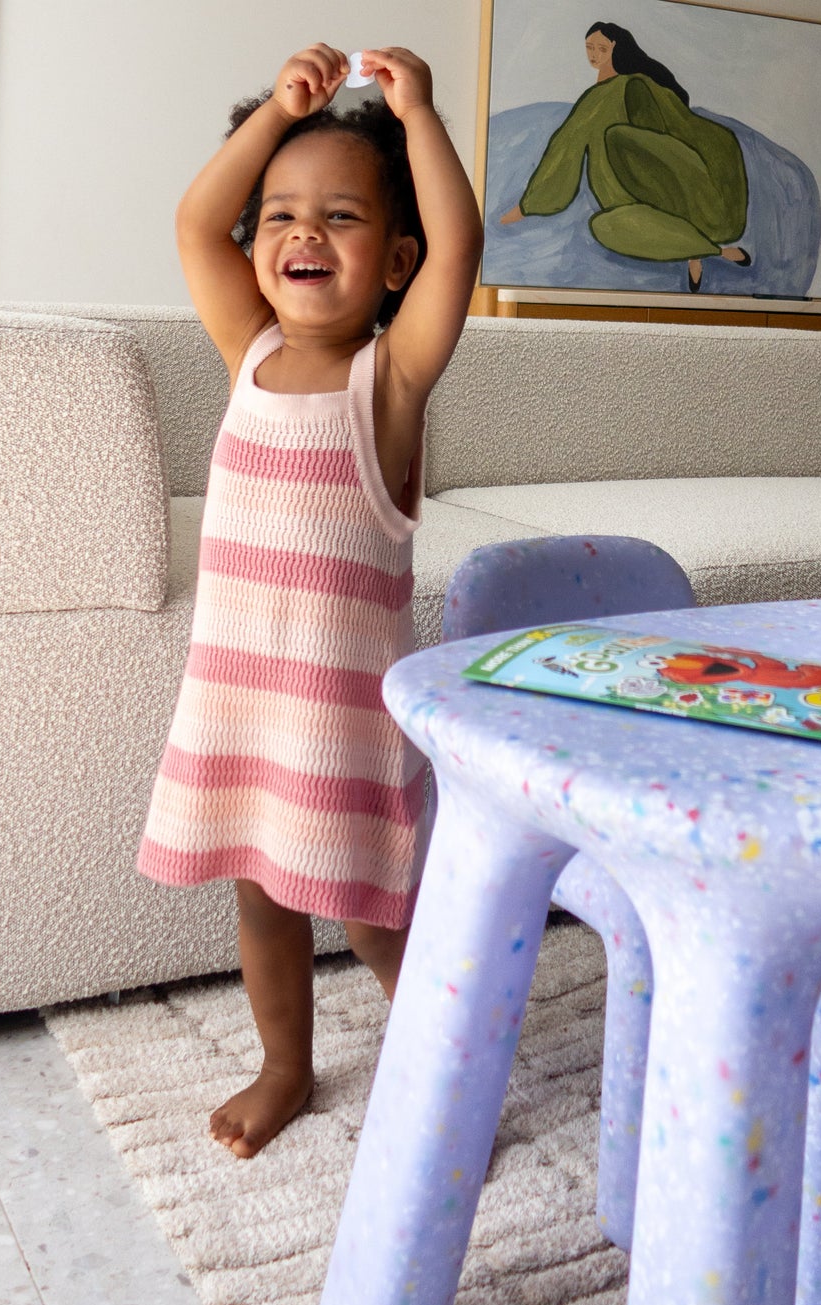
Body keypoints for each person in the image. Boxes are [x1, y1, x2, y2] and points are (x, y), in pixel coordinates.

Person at [138, 44, 483, 1157]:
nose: (302, 234)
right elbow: (197, 224)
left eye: (340, 217)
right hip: (239, 701)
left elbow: (461, 248)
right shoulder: (247, 353)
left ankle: (452, 1064)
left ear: (393, 262)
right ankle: (286, 1064)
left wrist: (418, 114)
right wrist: (274, 117)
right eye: (280, 214)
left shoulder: (391, 381)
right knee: (263, 894)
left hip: (342, 716)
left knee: (378, 915)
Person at [500, 22, 751, 291]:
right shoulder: (638, 84)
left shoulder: (616, 91)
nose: (593, 55)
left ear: (615, 49)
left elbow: (565, 149)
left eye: (601, 48)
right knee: (619, 224)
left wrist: (527, 207)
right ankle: (710, 251)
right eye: (589, 48)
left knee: (607, 226)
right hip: (653, 194)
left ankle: (705, 250)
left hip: (639, 193)